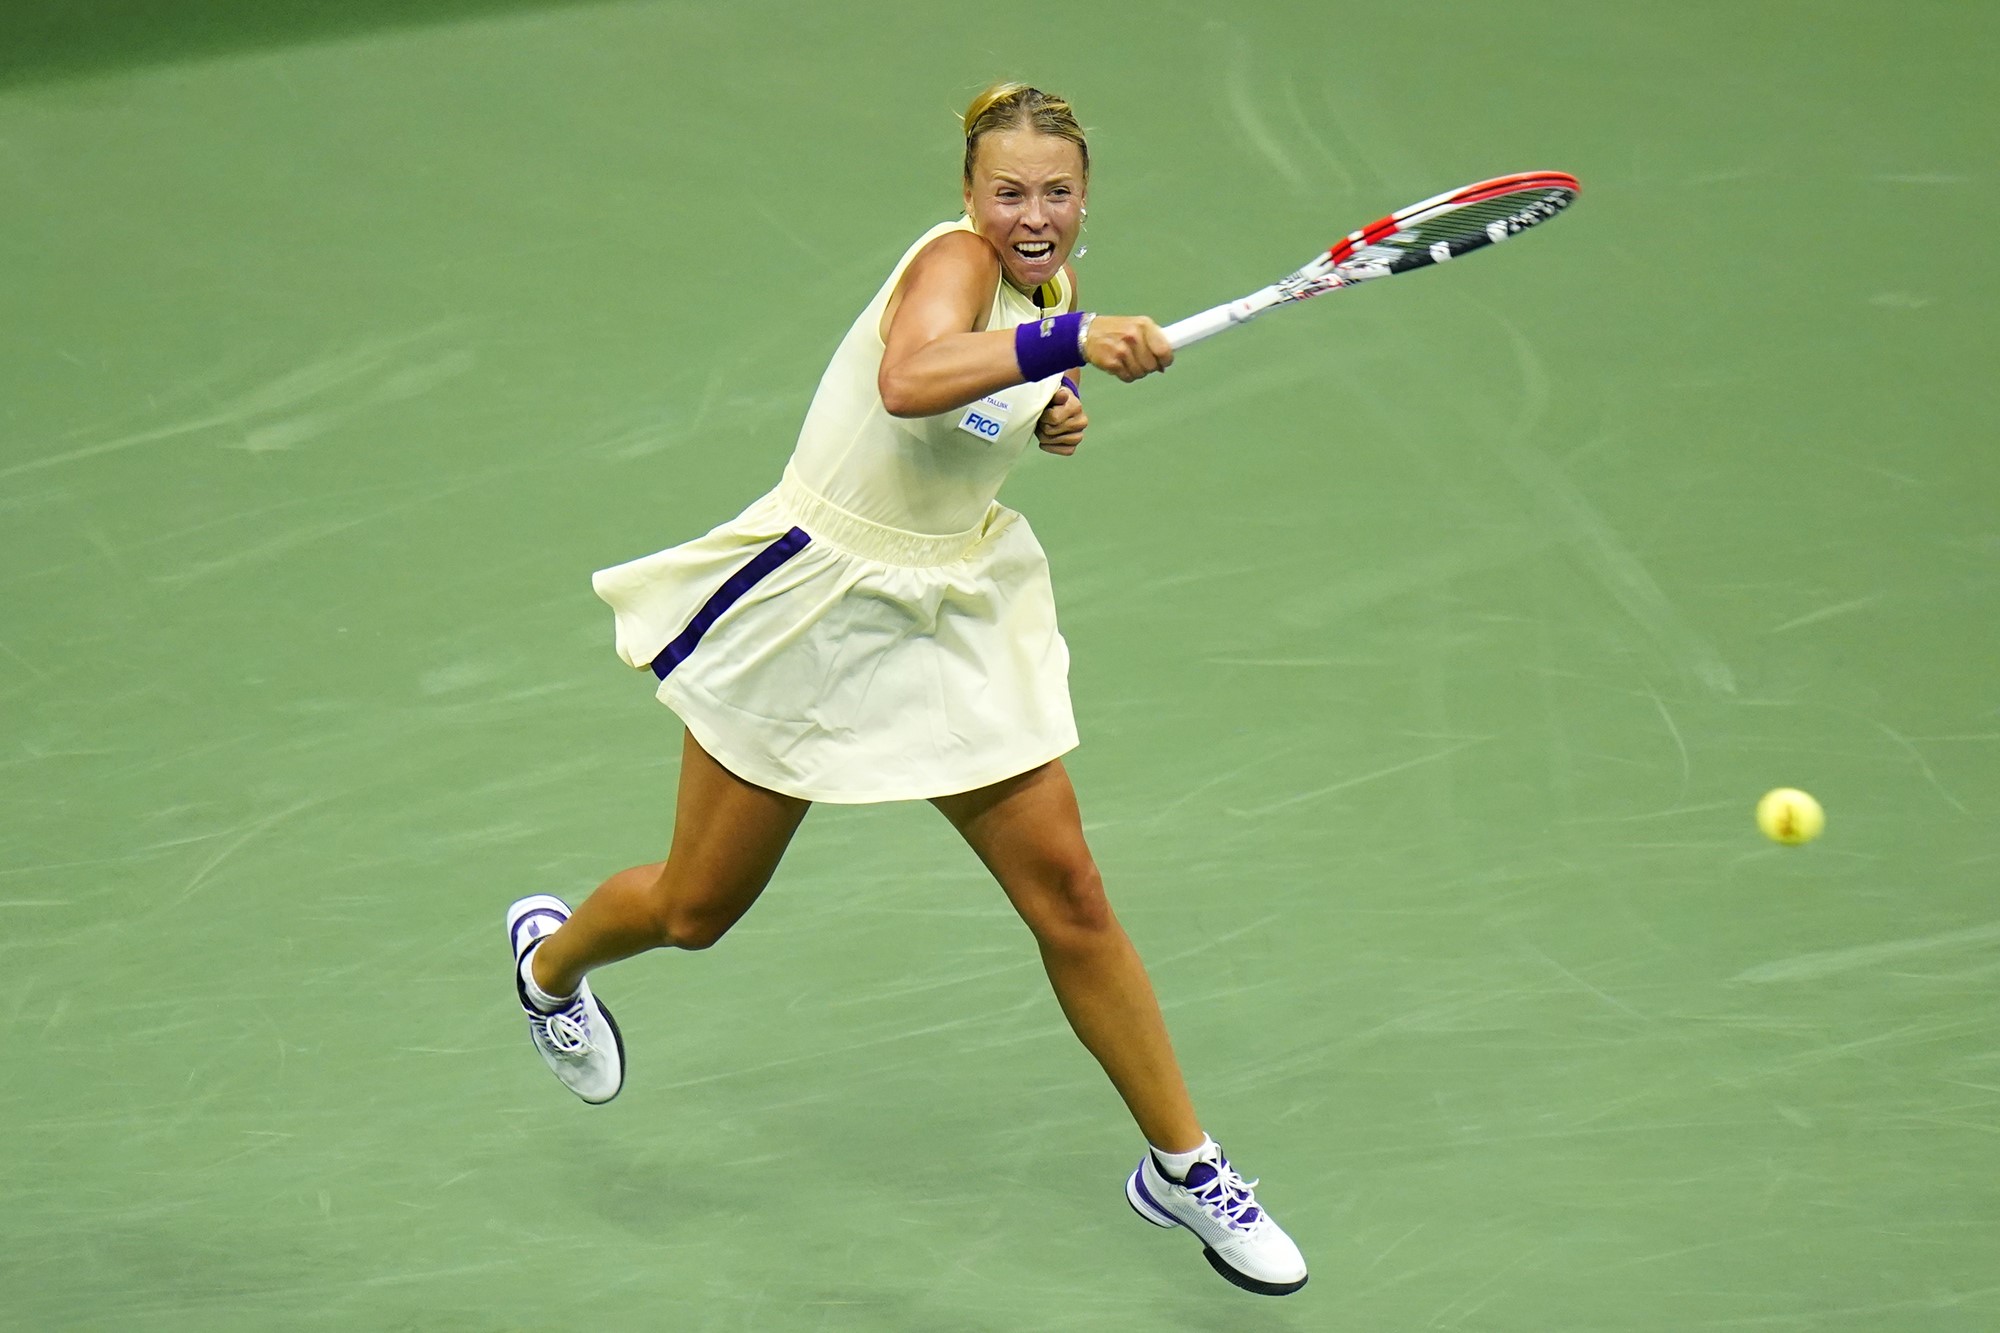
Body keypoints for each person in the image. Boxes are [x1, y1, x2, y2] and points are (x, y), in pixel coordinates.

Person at [503, 82, 1306, 1297]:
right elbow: (911, 378)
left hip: (945, 616)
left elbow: (980, 404)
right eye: (1007, 192)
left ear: (1084, 196)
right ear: (969, 196)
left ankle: (1181, 1164)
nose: (1031, 216)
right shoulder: (952, 263)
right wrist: (1063, 349)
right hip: (815, 609)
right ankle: (550, 964)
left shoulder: (1052, 290)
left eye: (1055, 192)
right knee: (694, 909)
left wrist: (1051, 410)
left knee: (1072, 896)